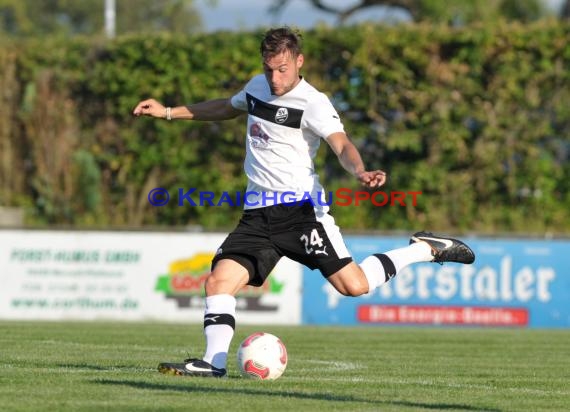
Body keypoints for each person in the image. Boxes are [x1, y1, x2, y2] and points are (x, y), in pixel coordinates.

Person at [133, 27, 475, 378]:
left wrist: (359, 171)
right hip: (257, 214)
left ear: (299, 61)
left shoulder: (313, 102)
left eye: (282, 69)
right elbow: (225, 106)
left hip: (301, 214)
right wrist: (168, 111)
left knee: (354, 286)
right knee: (218, 282)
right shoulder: (256, 87)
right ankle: (213, 363)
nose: (275, 77)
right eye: (269, 68)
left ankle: (424, 250)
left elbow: (341, 144)